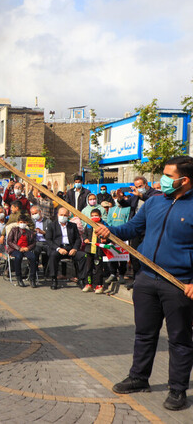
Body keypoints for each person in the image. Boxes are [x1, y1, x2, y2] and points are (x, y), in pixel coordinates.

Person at [95, 156, 193, 411]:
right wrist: (108, 230)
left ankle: (178, 389)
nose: (162, 180)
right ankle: (139, 378)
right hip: (147, 279)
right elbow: (131, 229)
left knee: (180, 339)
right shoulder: (154, 202)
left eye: (168, 176)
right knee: (144, 333)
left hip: (179, 283)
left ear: (185, 180)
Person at [45, 207, 86, 290]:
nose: (63, 217)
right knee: (52, 256)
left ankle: (81, 279)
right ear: (57, 215)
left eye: (65, 215)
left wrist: (75, 249)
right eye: (61, 215)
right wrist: (58, 249)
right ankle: (54, 279)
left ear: (68, 216)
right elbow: (49, 240)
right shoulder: (52, 226)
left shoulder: (73, 226)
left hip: (70, 248)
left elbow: (78, 239)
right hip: (58, 248)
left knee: (83, 256)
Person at [6, 214, 38, 287]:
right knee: (18, 256)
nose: (22, 224)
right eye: (21, 222)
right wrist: (18, 248)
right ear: (18, 222)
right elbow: (9, 241)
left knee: (33, 257)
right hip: (15, 249)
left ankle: (32, 278)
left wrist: (28, 248)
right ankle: (19, 278)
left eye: (24, 222)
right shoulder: (14, 230)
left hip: (26, 249)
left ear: (26, 223)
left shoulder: (29, 232)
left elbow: (33, 243)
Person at [82, 209, 107, 294]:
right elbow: (84, 234)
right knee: (88, 268)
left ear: (100, 216)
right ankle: (89, 284)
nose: (94, 217)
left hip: (98, 250)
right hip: (89, 249)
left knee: (98, 269)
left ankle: (99, 285)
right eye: (92, 216)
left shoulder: (104, 225)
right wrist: (85, 239)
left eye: (96, 215)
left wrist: (104, 240)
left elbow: (107, 236)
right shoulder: (89, 225)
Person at [30, 205, 51, 275]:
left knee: (50, 253)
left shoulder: (48, 221)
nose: (34, 215)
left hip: (46, 242)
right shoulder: (31, 222)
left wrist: (43, 232)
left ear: (40, 212)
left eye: (35, 213)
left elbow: (51, 233)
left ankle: (47, 270)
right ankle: (34, 270)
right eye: (32, 214)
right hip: (36, 242)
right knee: (35, 252)